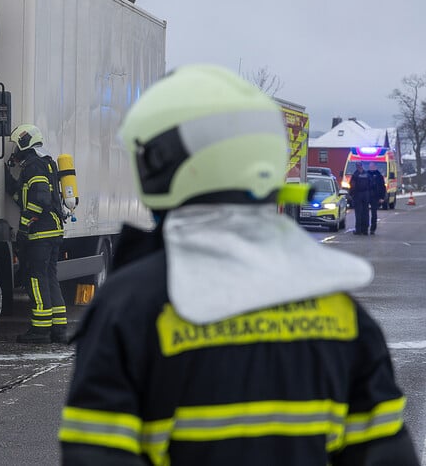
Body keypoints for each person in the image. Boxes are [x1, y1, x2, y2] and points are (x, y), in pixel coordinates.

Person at [60, 65, 417, 465]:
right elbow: (388, 455)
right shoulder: (341, 312)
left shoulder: (129, 309)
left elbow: (96, 456)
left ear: (160, 164)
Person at [5, 123, 68, 344]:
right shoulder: (45, 163)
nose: (15, 151)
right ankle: (59, 329)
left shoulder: (33, 166)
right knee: (50, 277)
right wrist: (12, 186)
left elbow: (38, 201)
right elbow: (26, 199)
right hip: (53, 231)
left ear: (25, 143)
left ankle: (40, 330)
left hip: (41, 233)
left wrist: (23, 227)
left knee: (36, 278)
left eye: (17, 146)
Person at [350, 161, 373, 235]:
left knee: (358, 213)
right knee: (365, 213)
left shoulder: (355, 175)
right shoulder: (367, 174)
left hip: (358, 195)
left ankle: (358, 230)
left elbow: (352, 186)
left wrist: (352, 195)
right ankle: (365, 230)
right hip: (366, 195)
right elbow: (371, 184)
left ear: (357, 166)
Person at [368, 165, 386, 235]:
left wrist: (382, 197)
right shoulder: (367, 175)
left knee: (374, 214)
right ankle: (364, 228)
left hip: (375, 197)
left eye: (373, 166)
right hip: (367, 196)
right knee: (364, 214)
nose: (371, 168)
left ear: (376, 167)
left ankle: (373, 229)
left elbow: (382, 187)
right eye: (370, 166)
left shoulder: (379, 176)